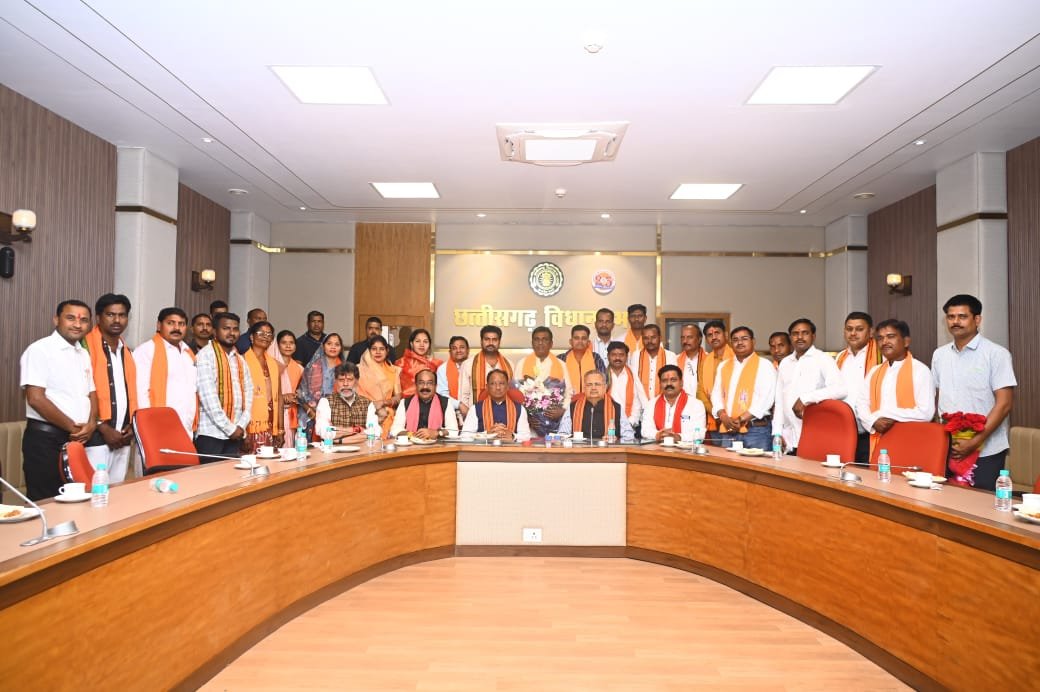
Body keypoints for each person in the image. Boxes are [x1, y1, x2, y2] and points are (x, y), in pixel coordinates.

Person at [931, 294, 1016, 490]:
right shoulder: (939, 355)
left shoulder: (996, 354)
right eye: (951, 317)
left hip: (986, 449)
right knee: (946, 501)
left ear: (977, 319)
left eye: (962, 316)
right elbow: (937, 399)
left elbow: (1004, 404)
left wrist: (975, 441)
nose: (955, 322)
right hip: (949, 447)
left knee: (980, 504)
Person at [19, 300, 97, 500]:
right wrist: (74, 428)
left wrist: (91, 424)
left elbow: (91, 393)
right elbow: (36, 399)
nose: (77, 324)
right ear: (56, 319)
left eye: (84, 320)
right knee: (48, 503)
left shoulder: (83, 353)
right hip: (46, 441)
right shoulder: (40, 350)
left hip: (76, 440)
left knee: (77, 502)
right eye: (70, 318)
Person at [855, 320, 935, 460]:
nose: (884, 342)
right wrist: (873, 421)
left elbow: (925, 412)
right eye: (880, 338)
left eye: (891, 336)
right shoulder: (875, 371)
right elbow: (861, 403)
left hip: (910, 441)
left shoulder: (920, 370)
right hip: (879, 439)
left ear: (906, 341)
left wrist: (883, 414)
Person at [82, 294, 137, 482]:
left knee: (117, 493)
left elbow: (129, 391)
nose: (117, 320)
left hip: (122, 435)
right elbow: (80, 392)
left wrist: (131, 424)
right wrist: (102, 427)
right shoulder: (85, 347)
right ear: (98, 317)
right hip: (95, 437)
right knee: (94, 491)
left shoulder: (126, 350)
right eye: (110, 314)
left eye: (122, 315)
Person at [772, 318, 846, 454]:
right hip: (789, 437)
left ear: (813, 336)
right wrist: (777, 433)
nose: (800, 337)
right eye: (795, 333)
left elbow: (840, 389)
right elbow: (779, 401)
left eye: (805, 333)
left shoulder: (823, 359)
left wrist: (805, 398)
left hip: (815, 434)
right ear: (790, 337)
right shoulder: (785, 363)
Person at [132, 307, 198, 442]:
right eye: (170, 323)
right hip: (156, 427)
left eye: (181, 324)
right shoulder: (146, 351)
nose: (176, 328)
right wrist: (149, 426)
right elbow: (140, 393)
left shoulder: (188, 353)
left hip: (186, 426)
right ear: (159, 325)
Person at [196, 312, 253, 460]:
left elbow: (249, 393)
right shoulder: (205, 356)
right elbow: (208, 398)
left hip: (236, 433)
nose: (231, 333)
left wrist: (241, 425)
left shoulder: (239, 359)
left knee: (231, 474)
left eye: (235, 329)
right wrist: (230, 428)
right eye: (226, 328)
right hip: (211, 433)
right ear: (215, 331)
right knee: (210, 475)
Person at [711, 326, 776, 450]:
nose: (739, 342)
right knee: (727, 463)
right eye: (735, 340)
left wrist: (741, 419)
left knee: (756, 463)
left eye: (744, 339)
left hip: (756, 431)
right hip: (729, 429)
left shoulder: (764, 365)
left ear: (753, 341)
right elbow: (716, 394)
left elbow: (766, 399)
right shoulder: (724, 366)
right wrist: (723, 416)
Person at [835, 311, 880, 463]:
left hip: (870, 432)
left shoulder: (881, 356)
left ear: (871, 332)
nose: (853, 333)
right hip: (842, 431)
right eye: (849, 329)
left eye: (859, 329)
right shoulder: (840, 357)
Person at [515, 326, 571, 436]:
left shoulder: (561, 365)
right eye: (537, 339)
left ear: (551, 343)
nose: (540, 343)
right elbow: (516, 393)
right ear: (532, 343)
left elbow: (569, 393)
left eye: (545, 339)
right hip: (530, 424)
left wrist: (562, 411)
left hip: (555, 422)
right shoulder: (522, 363)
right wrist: (526, 416)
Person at [560, 370, 634, 442]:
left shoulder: (616, 408)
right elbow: (562, 435)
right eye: (589, 385)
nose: (593, 388)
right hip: (579, 449)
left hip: (608, 449)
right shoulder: (573, 407)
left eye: (597, 384)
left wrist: (616, 441)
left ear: (605, 387)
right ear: (584, 388)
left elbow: (629, 437)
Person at [243, 321, 283, 452]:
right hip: (250, 424)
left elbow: (279, 397)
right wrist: (243, 430)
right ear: (251, 337)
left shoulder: (273, 364)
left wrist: (280, 429)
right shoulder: (242, 361)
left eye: (269, 334)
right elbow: (240, 399)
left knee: (270, 462)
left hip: (271, 422)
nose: (265, 336)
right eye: (261, 333)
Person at [641, 364, 706, 442]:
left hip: (685, 449)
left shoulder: (696, 405)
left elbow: (700, 434)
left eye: (673, 380)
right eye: (664, 381)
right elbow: (645, 430)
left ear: (681, 382)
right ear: (660, 384)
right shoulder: (651, 404)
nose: (669, 384)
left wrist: (679, 437)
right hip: (657, 447)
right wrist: (658, 434)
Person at [297, 333, 344, 439]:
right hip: (311, 414)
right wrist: (311, 411)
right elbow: (300, 394)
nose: (333, 347)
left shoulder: (344, 369)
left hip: (335, 417)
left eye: (337, 344)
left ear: (341, 348)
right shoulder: (312, 367)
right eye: (329, 344)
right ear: (323, 346)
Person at [390, 368, 458, 439]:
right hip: (411, 444)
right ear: (416, 385)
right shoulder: (405, 402)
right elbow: (394, 430)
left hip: (438, 445)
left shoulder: (446, 402)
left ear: (435, 386)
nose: (425, 387)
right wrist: (413, 434)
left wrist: (437, 433)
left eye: (429, 383)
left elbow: (454, 431)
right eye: (421, 383)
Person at [462, 370, 531, 438]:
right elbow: (464, 436)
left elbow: (526, 437)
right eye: (493, 384)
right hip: (484, 445)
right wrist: (486, 434)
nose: (498, 387)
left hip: (511, 445)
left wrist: (512, 436)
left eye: (501, 383)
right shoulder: (475, 409)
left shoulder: (520, 409)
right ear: (487, 387)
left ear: (507, 386)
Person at [697, 319, 735, 444]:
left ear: (726, 334)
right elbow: (700, 392)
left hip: (734, 419)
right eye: (709, 335)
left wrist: (725, 415)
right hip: (714, 420)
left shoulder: (736, 357)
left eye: (717, 333)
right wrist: (716, 412)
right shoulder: (705, 361)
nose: (713, 337)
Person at [314, 362, 371, 445]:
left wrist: (338, 440)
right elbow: (323, 432)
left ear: (357, 381)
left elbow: (374, 433)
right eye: (341, 380)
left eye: (350, 380)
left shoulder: (367, 403)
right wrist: (354, 430)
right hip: (332, 451)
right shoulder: (325, 402)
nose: (345, 384)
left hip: (362, 450)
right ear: (335, 381)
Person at [358, 335, 402, 436]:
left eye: (381, 349)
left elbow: (398, 396)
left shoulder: (393, 371)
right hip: (364, 415)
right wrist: (373, 406)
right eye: (374, 349)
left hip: (386, 414)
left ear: (387, 351)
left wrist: (384, 402)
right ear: (369, 351)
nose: (378, 352)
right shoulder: (358, 370)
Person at [606, 340, 649, 434]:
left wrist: (631, 422)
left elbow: (638, 401)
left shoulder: (633, 374)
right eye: (614, 355)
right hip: (606, 424)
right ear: (608, 356)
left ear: (626, 357)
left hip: (629, 425)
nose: (617, 358)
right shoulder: (602, 375)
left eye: (621, 355)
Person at [468, 325, 515, 403]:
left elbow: (512, 392)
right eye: (487, 339)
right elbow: (463, 395)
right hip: (475, 410)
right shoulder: (468, 364)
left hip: (504, 410)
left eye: (494, 340)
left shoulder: (509, 365)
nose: (490, 343)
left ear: (499, 342)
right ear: (481, 341)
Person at [395, 328, 443, 398]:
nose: (422, 345)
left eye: (425, 342)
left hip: (431, 401)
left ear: (429, 345)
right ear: (411, 344)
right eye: (418, 341)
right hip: (407, 402)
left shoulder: (437, 364)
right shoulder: (401, 363)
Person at [633, 324, 677, 401]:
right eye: (646, 338)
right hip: (640, 403)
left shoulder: (670, 356)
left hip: (664, 402)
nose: (649, 341)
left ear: (660, 338)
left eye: (653, 337)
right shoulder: (636, 356)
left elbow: (673, 382)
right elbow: (635, 383)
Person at [560, 324, 607, 396]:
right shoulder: (561, 359)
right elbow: (554, 384)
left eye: (584, 338)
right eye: (576, 338)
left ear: (588, 342)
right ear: (571, 341)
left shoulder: (596, 358)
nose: (580, 341)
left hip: (591, 400)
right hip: (567, 401)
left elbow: (604, 381)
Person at [275, 330, 305, 437]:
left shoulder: (299, 368)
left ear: (295, 346)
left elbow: (303, 391)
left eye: (291, 343)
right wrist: (282, 397)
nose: (288, 346)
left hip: (292, 412)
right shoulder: (271, 365)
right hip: (275, 413)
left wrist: (296, 396)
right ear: (277, 345)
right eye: (284, 343)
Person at [436, 335, 472, 421]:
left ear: (468, 350)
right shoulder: (443, 369)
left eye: (462, 347)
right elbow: (442, 394)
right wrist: (459, 405)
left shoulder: (475, 366)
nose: (458, 350)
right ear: (450, 352)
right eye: (454, 348)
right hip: (451, 412)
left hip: (474, 410)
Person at [677, 323, 706, 396]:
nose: (685, 341)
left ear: (699, 339)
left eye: (689, 337)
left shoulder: (708, 360)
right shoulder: (675, 360)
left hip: (704, 402)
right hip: (682, 401)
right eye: (682, 337)